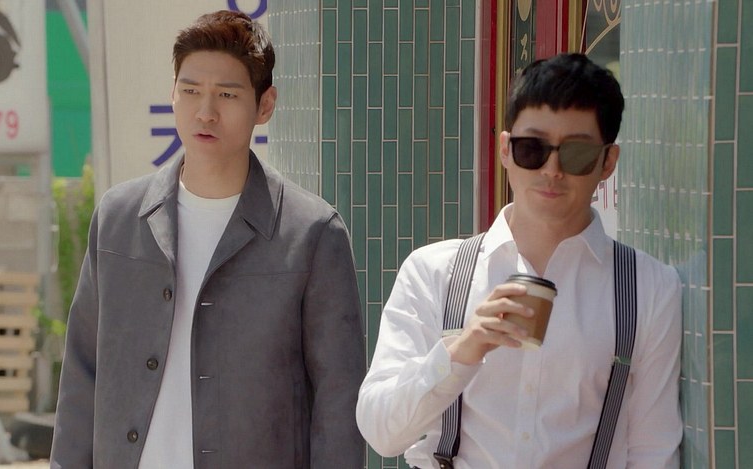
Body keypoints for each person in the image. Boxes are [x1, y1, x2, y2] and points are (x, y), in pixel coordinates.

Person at [50, 10, 365, 468]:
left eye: (227, 94)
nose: (205, 112)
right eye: (191, 90)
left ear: (265, 105)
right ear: (173, 94)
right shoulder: (119, 219)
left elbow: (339, 402)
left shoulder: (311, 234)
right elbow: (81, 377)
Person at [356, 53, 682, 468]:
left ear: (608, 162)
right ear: (506, 150)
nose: (552, 170)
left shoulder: (649, 288)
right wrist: (461, 351)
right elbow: (381, 432)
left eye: (577, 153)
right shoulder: (434, 272)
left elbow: (653, 452)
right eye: (533, 149)